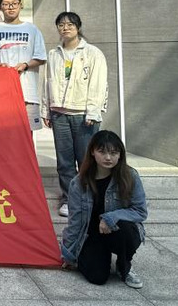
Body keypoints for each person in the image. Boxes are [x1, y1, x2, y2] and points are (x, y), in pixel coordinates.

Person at [41, 11, 108, 217]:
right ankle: (69, 198)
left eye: (70, 24)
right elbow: (46, 82)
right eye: (61, 25)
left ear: (78, 28)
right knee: (64, 161)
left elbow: (98, 84)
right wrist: (46, 109)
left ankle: (89, 198)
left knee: (86, 159)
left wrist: (93, 112)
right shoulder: (54, 54)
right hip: (59, 114)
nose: (65, 28)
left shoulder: (93, 53)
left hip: (83, 114)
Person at [61, 130, 146, 289]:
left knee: (126, 230)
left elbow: (140, 211)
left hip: (118, 230)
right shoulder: (78, 183)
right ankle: (96, 256)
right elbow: (75, 222)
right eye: (102, 152)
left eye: (114, 153)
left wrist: (110, 217)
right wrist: (69, 254)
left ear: (120, 155)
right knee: (97, 277)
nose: (108, 158)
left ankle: (124, 265)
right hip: (93, 234)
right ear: (92, 152)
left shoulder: (130, 176)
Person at [0, 0, 47, 133]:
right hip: (1, 92)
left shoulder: (32, 29)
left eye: (14, 3)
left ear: (21, 5)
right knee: (3, 133)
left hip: (28, 91)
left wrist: (26, 65)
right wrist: (0, 65)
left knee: (27, 133)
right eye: (6, 4)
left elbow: (41, 57)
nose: (11, 7)